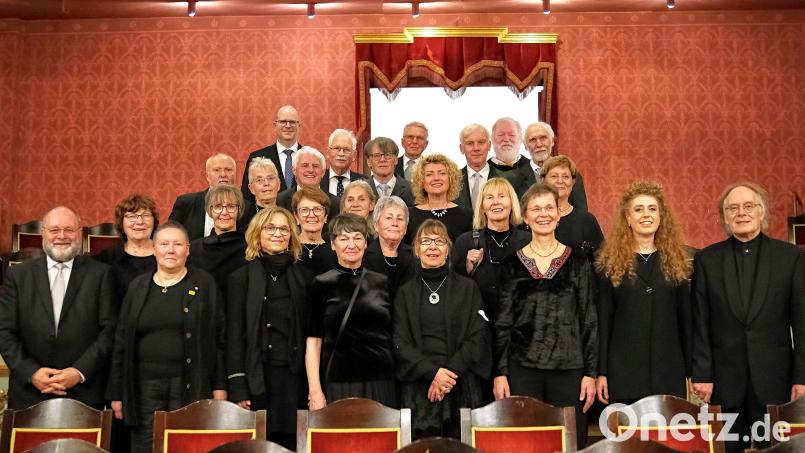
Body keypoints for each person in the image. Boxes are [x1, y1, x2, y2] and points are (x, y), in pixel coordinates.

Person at [691, 182, 805, 453]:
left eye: (748, 206)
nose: (741, 213)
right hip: (724, 381)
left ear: (762, 211)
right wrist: (702, 374)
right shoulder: (707, 259)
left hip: (775, 381)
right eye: (733, 208)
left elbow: (802, 323)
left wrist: (801, 378)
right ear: (724, 217)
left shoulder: (790, 257)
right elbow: (701, 322)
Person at [108, 221, 226, 453]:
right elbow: (121, 343)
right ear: (154, 248)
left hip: (190, 384)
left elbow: (220, 339)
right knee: (145, 446)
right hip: (143, 388)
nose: (170, 250)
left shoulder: (203, 284)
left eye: (178, 244)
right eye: (164, 244)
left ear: (188, 250)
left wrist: (220, 387)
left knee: (187, 446)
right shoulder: (137, 287)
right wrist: (117, 393)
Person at [493, 184, 597, 447]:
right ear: (525, 217)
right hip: (522, 370)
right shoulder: (510, 264)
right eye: (536, 209)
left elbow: (589, 318)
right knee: (527, 445)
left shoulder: (578, 261)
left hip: (570, 371)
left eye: (549, 207)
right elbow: (503, 323)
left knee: (570, 445)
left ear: (558, 214)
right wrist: (500, 373)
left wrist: (591, 373)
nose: (543, 214)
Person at [0, 206, 117, 410]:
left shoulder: (101, 275)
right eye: (54, 230)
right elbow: (4, 331)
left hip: (84, 392)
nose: (62, 236)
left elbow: (109, 331)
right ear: (43, 233)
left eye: (69, 230)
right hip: (30, 393)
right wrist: (32, 373)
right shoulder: (18, 276)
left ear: (79, 234)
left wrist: (79, 371)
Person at [595, 180, 692, 405]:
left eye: (652, 209)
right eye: (638, 210)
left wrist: (691, 371)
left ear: (661, 217)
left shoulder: (677, 262)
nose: (646, 215)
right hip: (624, 375)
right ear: (627, 218)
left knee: (669, 439)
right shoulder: (609, 264)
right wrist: (602, 372)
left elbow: (686, 321)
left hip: (668, 374)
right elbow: (603, 322)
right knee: (630, 440)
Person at [394, 219, 491, 438]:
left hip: (460, 384)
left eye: (439, 241)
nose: (432, 247)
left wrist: (448, 374)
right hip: (420, 388)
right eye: (426, 241)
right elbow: (400, 343)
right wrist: (433, 373)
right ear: (416, 250)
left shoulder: (468, 288)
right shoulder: (405, 292)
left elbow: (478, 336)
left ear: (448, 249)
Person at [227, 206, 312, 450]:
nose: (277, 233)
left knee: (294, 443)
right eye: (270, 227)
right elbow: (234, 336)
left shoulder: (304, 277)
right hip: (257, 378)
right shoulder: (239, 278)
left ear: (292, 236)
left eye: (284, 228)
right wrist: (238, 385)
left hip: (294, 379)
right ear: (257, 233)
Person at [305, 214, 397, 410]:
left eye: (357, 237)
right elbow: (313, 342)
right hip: (339, 380)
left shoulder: (382, 281)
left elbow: (393, 332)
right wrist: (315, 391)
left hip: (381, 379)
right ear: (333, 244)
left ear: (365, 243)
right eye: (344, 238)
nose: (351, 244)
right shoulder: (321, 283)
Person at [453, 178, 530, 323]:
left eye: (502, 196)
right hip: (479, 328)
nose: (496, 202)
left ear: (512, 203)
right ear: (482, 206)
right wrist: (468, 269)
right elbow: (454, 290)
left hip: (519, 326)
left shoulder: (529, 241)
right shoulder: (466, 242)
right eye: (489, 197)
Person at [169, 153, 250, 241]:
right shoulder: (186, 203)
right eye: (217, 170)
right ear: (207, 176)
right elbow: (170, 234)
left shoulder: (247, 207)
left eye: (228, 170)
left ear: (235, 175)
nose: (223, 174)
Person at [94, 194, 158, 300]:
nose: (140, 221)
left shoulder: (167, 255)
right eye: (132, 216)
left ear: (154, 221)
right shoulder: (105, 259)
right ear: (121, 224)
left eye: (146, 215)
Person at [188, 184, 248, 297]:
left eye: (230, 206)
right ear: (210, 210)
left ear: (239, 210)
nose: (224, 212)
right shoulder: (195, 248)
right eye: (218, 206)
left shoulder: (250, 247)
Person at [541, 155, 603, 263]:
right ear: (543, 180)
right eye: (554, 176)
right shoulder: (534, 218)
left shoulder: (587, 220)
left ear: (573, 182)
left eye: (565, 176)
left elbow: (601, 262)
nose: (560, 181)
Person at [405, 154, 473, 244]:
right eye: (429, 174)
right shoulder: (409, 215)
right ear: (421, 181)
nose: (436, 178)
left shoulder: (467, 215)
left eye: (442, 173)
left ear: (451, 178)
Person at [523, 121, 588, 211]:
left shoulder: (570, 174)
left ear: (552, 141)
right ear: (525, 146)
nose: (539, 144)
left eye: (543, 138)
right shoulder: (516, 177)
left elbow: (581, 213)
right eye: (532, 140)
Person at [241, 105, 302, 198]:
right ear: (275, 125)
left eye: (292, 122)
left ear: (299, 126)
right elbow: (247, 198)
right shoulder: (257, 157)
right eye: (283, 122)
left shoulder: (310, 157)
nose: (288, 125)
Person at [364, 195, 417, 301]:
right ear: (376, 225)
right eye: (389, 218)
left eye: (400, 219)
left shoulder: (415, 256)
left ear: (405, 228)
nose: (395, 223)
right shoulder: (363, 257)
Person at [276, 146, 341, 217]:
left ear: (323, 172)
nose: (311, 170)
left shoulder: (336, 203)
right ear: (294, 170)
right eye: (305, 165)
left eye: (315, 166)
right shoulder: (279, 201)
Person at [292, 186, 338, 276]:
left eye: (317, 209)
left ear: (325, 216)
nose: (311, 215)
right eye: (304, 210)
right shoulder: (287, 248)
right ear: (296, 217)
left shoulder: (335, 251)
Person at [486, 118, 536, 198]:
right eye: (500, 135)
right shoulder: (484, 171)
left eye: (512, 135)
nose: (506, 139)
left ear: (520, 139)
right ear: (492, 139)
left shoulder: (533, 168)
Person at [365, 136, 415, 205]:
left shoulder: (412, 190)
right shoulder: (360, 189)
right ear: (369, 162)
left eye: (388, 155)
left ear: (396, 160)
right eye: (377, 156)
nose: (383, 160)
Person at [322, 129, 367, 198]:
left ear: (354, 155)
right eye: (337, 148)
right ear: (328, 153)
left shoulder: (365, 182)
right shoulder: (317, 180)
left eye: (346, 150)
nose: (341, 154)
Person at [241, 157, 282, 223]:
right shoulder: (243, 219)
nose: (266, 183)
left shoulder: (288, 214)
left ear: (279, 184)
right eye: (259, 180)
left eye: (271, 178)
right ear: (251, 188)